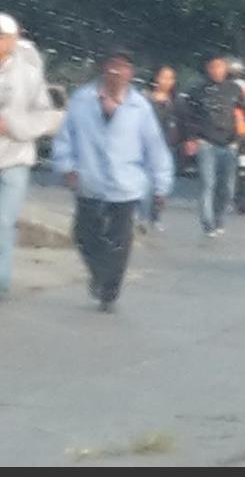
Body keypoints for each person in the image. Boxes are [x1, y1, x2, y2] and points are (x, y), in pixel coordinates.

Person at [52, 49, 173, 312]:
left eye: (124, 67)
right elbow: (65, 137)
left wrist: (161, 187)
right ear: (104, 68)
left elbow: (155, 149)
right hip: (89, 180)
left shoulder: (139, 107)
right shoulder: (83, 100)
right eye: (113, 66)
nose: (117, 72)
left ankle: (109, 289)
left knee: (119, 241)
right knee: (83, 234)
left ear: (131, 73)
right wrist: (66, 167)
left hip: (125, 184)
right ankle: (98, 274)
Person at [0, 13, 64, 300]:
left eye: (3, 37)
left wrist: (13, 127)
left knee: (3, 221)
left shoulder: (28, 73)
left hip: (15, 158)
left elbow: (48, 116)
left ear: (13, 40)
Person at [180, 53, 245, 237]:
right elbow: (187, 116)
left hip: (229, 144)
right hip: (206, 143)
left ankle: (219, 217)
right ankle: (208, 223)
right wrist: (190, 138)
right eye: (213, 67)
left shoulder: (234, 89)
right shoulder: (197, 91)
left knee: (227, 188)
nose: (217, 70)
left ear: (226, 68)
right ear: (207, 68)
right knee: (208, 183)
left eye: (220, 66)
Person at [137, 65, 181, 234]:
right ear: (156, 78)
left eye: (170, 78)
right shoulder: (145, 99)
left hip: (168, 148)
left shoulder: (176, 101)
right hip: (146, 147)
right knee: (145, 184)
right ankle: (142, 217)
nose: (167, 81)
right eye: (163, 77)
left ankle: (156, 217)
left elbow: (184, 122)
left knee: (161, 187)